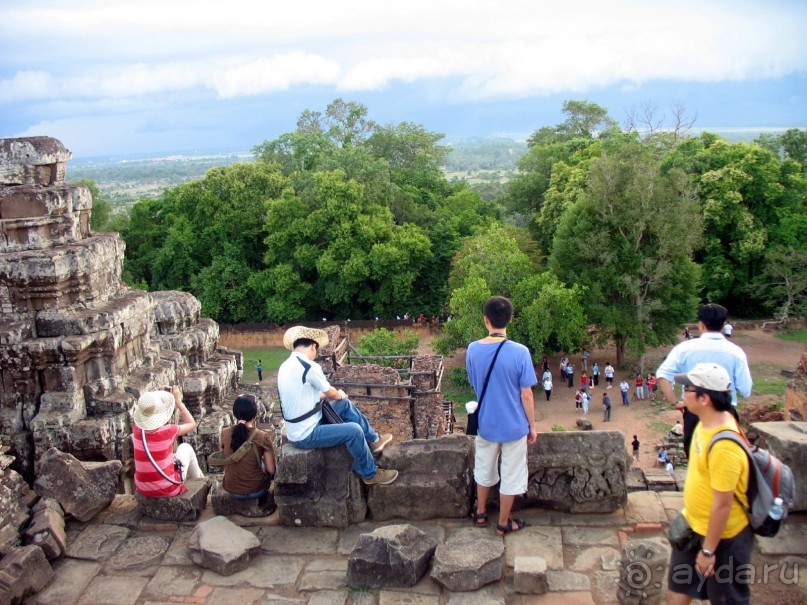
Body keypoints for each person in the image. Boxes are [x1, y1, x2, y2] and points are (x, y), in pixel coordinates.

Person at [666, 362, 752, 605]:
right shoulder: (705, 422)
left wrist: (708, 551)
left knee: (725, 598)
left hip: (723, 537)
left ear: (705, 399)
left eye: (688, 390)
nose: (683, 394)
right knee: (678, 587)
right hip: (693, 525)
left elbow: (723, 504)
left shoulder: (724, 444)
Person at [277, 326, 397, 486]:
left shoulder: (285, 366)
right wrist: (338, 393)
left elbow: (303, 395)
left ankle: (373, 439)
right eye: (316, 351)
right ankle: (369, 473)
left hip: (298, 426)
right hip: (305, 434)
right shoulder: (309, 366)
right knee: (353, 430)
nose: (315, 355)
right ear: (313, 346)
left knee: (344, 404)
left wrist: (337, 397)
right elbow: (331, 392)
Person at [467, 296, 537, 536]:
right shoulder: (520, 352)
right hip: (514, 425)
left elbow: (474, 382)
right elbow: (526, 394)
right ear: (510, 319)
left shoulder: (473, 350)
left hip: (486, 422)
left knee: (484, 467)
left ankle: (481, 511)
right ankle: (504, 522)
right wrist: (532, 426)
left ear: (486, 320)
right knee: (512, 473)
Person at [656, 304, 752, 457]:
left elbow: (662, 375)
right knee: (727, 454)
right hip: (725, 412)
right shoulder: (736, 352)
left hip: (694, 412)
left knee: (695, 459)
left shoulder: (684, 348)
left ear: (701, 324)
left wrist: (675, 403)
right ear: (723, 325)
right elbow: (746, 390)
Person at [132, 387, 204, 497]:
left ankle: (202, 481)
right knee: (185, 448)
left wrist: (154, 399)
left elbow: (149, 408)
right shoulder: (168, 431)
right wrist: (178, 401)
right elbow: (191, 423)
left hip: (143, 488)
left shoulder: (137, 430)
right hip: (168, 488)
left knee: (172, 456)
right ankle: (201, 483)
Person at [219, 394, 276, 500]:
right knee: (263, 462)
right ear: (255, 416)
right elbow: (271, 470)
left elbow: (224, 459)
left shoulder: (225, 433)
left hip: (231, 489)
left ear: (235, 413)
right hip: (256, 490)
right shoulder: (262, 436)